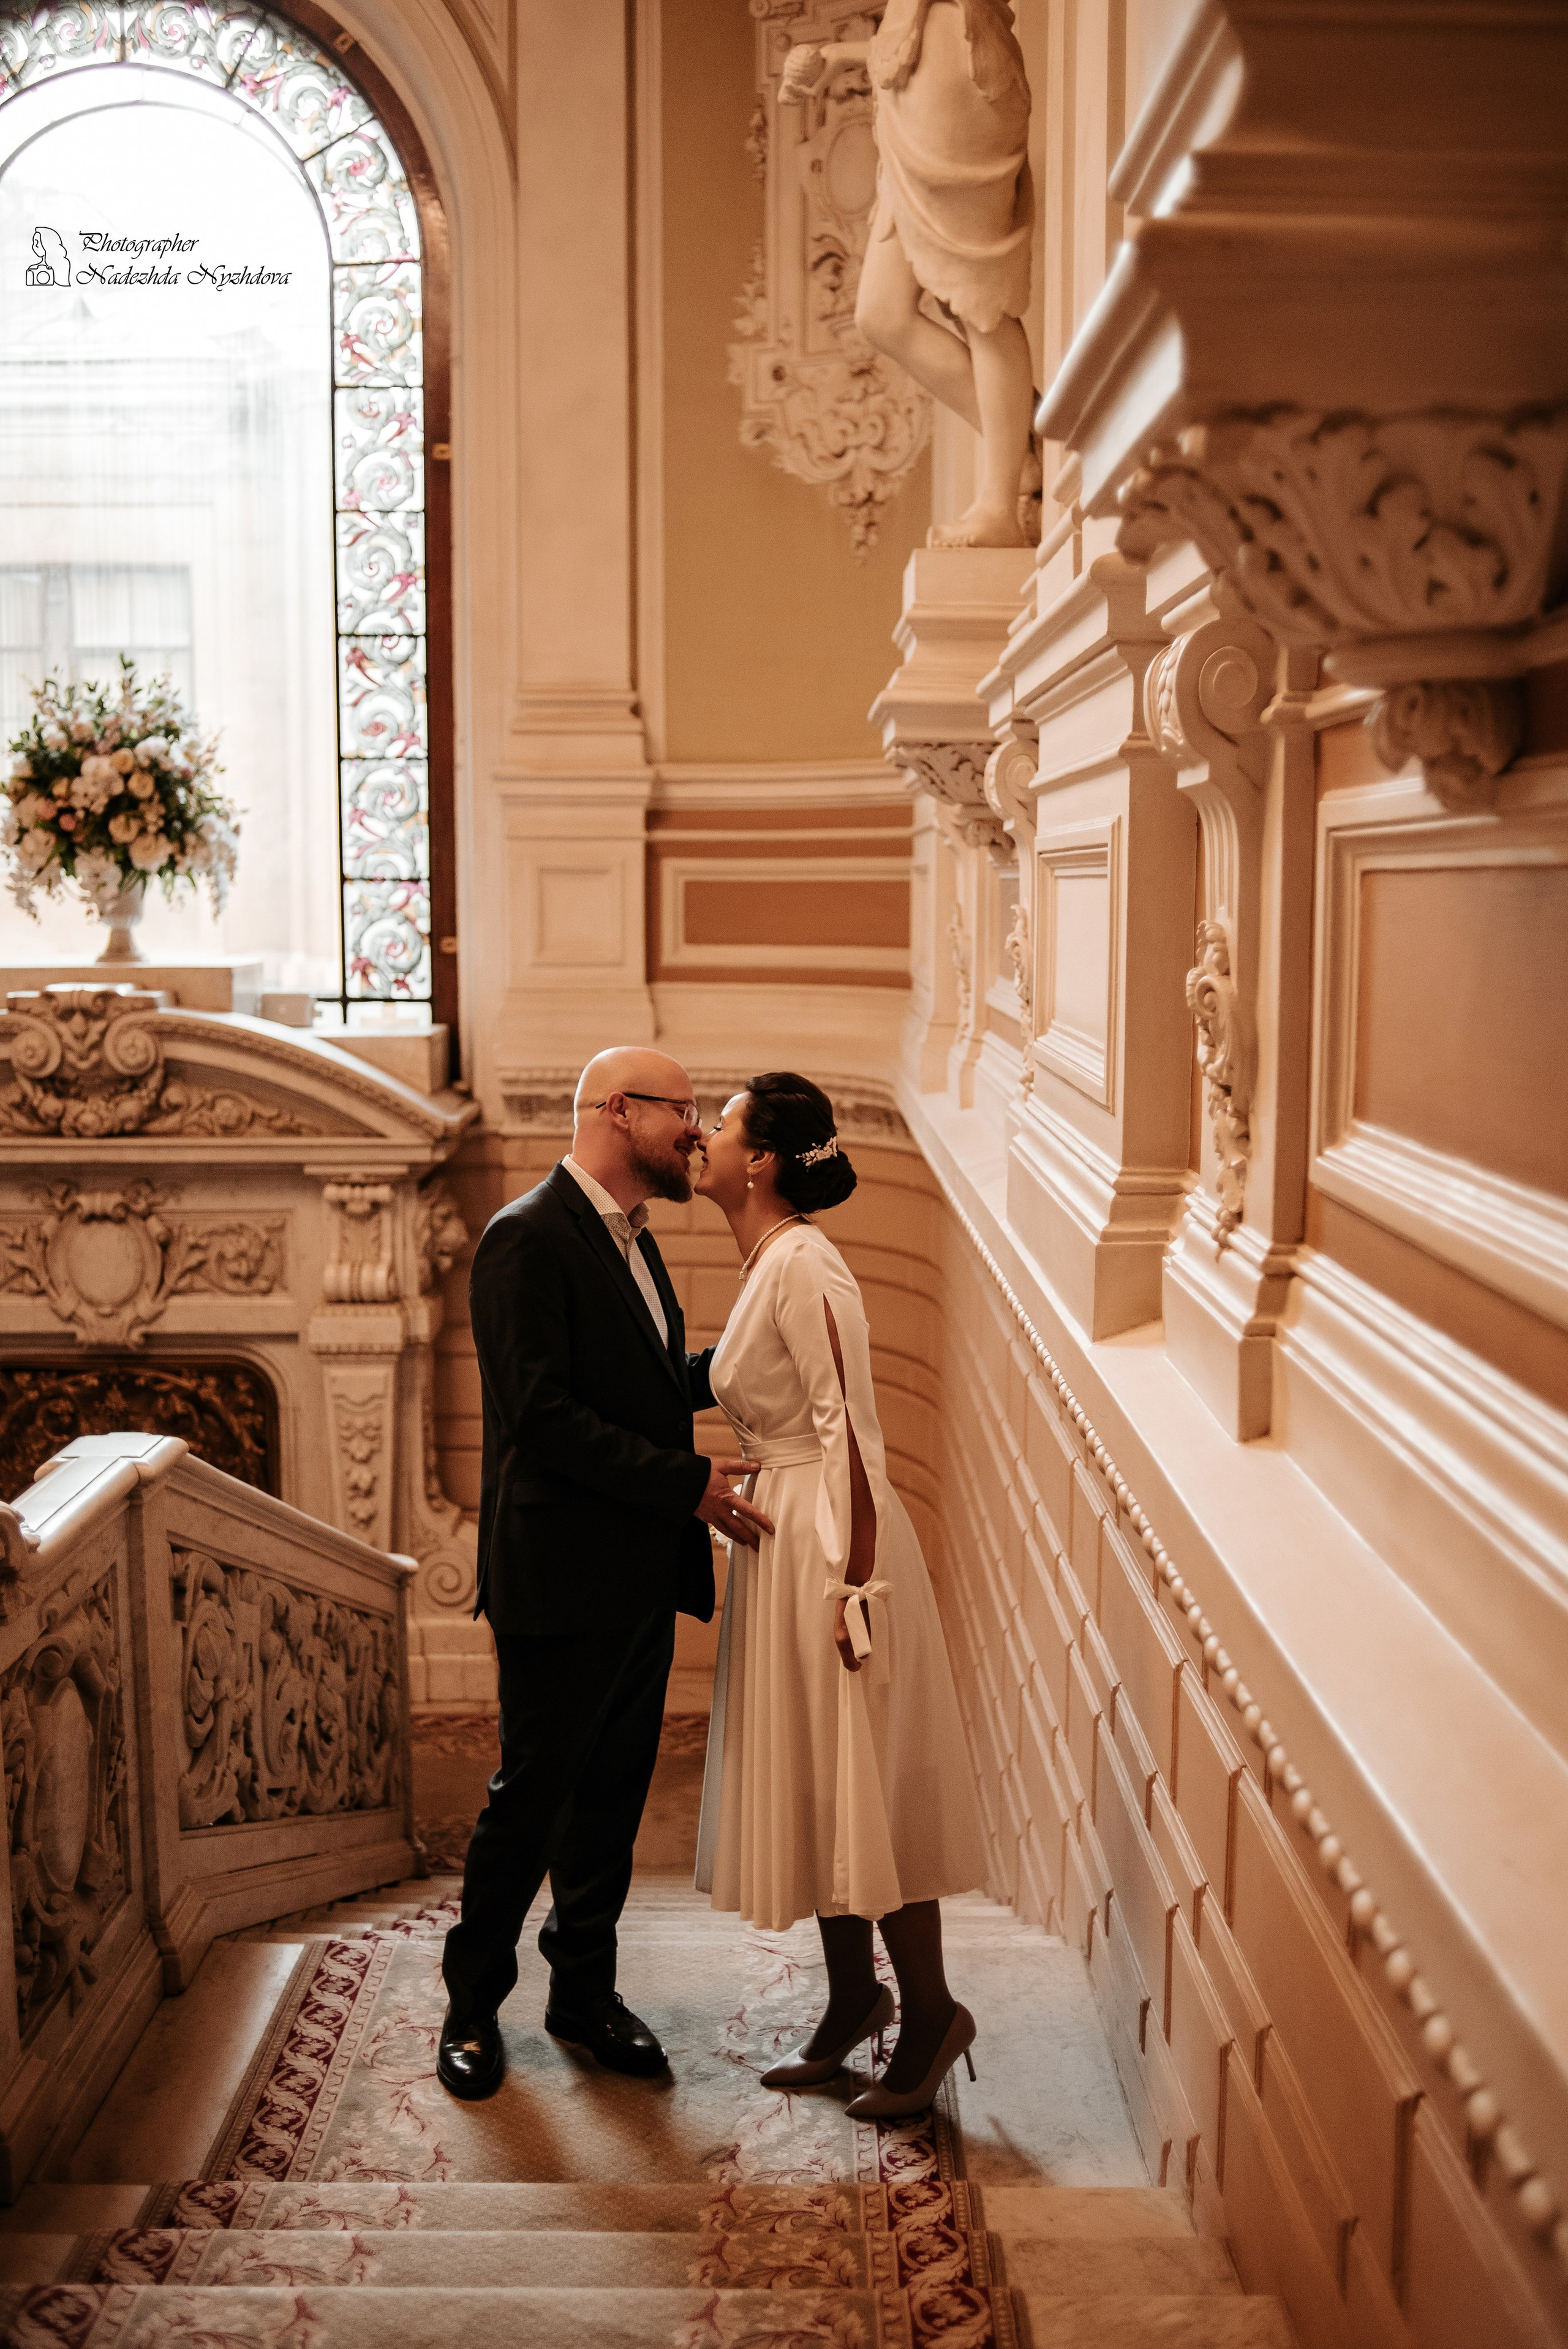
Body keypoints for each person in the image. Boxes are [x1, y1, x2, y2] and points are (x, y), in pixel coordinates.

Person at [437, 1048, 773, 2100]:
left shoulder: (635, 1237)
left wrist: (760, 1352)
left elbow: (643, 1381)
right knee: (529, 1800)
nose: (694, 1131)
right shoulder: (524, 1236)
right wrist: (684, 1481)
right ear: (620, 1112)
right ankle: (471, 2005)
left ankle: (582, 1991)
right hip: (558, 1572)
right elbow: (543, 1416)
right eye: (680, 1110)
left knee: (612, 1802)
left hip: (634, 1569)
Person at [693, 1073, 986, 2114]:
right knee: (823, 1780)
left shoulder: (809, 1262)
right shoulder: (770, 1257)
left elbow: (853, 1431)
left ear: (762, 1158)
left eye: (721, 1126)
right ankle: (854, 1997)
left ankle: (935, 2009)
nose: (706, 1137)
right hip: (786, 1534)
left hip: (828, 1542)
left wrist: (857, 1582)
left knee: (862, 1776)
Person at [780, 0, 1036, 549]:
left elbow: (944, 26)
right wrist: (837, 58)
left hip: (961, 88)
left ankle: (1001, 502)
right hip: (914, 95)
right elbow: (913, 35)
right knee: (881, 313)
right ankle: (1022, 440)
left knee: (981, 304)